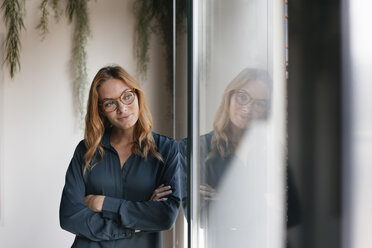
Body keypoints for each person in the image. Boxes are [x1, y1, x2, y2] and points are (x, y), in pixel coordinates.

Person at [59, 65, 180, 248]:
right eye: (110, 103)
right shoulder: (86, 150)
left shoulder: (167, 150)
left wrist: (103, 202)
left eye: (127, 96)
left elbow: (165, 216)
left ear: (137, 95)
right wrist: (137, 222)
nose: (122, 109)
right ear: (101, 110)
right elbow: (69, 216)